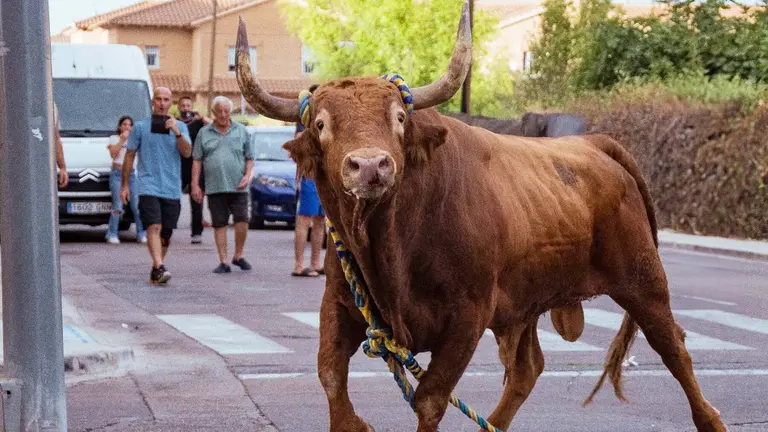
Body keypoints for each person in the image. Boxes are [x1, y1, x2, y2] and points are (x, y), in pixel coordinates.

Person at [120, 87, 192, 284]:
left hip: (171, 188)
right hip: (148, 185)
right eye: (158, 99)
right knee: (154, 226)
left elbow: (187, 153)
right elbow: (129, 155)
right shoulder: (141, 127)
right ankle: (160, 266)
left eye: (166, 99)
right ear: (153, 102)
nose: (162, 103)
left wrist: (177, 133)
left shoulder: (181, 127)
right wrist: (125, 185)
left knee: (166, 234)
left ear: (171, 103)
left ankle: (156, 268)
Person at [191, 96, 254, 274]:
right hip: (215, 186)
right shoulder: (204, 133)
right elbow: (197, 161)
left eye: (226, 111)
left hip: (239, 186)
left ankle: (238, 255)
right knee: (219, 223)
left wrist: (247, 176)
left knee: (242, 220)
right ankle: (224, 260)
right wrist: (195, 184)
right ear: (213, 113)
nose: (223, 115)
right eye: (219, 111)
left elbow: (249, 158)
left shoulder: (242, 131)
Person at [291, 85, 325, 278]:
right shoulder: (304, 119)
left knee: (321, 220)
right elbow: (297, 142)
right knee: (305, 219)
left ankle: (315, 263)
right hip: (310, 175)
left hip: (326, 176)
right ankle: (299, 264)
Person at [105, 116, 146, 244]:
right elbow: (113, 154)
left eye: (129, 125)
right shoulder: (114, 138)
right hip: (117, 173)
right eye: (124, 124)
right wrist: (122, 140)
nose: (127, 127)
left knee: (136, 205)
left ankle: (141, 233)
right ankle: (112, 233)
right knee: (118, 204)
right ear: (120, 126)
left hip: (132, 175)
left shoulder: (135, 139)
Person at [177, 96, 211, 244]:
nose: (186, 108)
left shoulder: (199, 123)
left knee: (196, 199)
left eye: (188, 106)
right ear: (179, 107)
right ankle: (167, 228)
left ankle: (197, 232)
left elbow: (214, 126)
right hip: (178, 165)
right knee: (172, 199)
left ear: (192, 107)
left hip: (196, 165)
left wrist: (202, 118)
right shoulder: (175, 123)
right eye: (183, 106)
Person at [53, 103, 68, 188]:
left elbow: (56, 139)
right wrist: (62, 168)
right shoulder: (50, 105)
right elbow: (56, 139)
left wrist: (62, 167)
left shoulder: (51, 106)